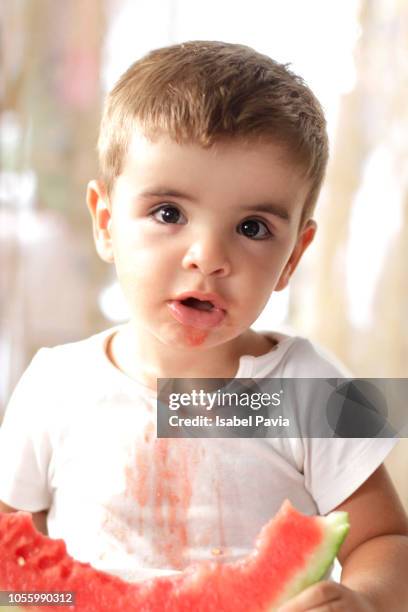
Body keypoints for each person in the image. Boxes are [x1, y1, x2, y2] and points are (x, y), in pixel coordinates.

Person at [0, 40, 407, 610]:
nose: (209, 256)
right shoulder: (53, 385)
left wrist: (365, 599)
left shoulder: (312, 391)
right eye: (169, 214)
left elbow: (386, 539)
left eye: (253, 227)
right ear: (106, 223)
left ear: (294, 256)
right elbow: (14, 550)